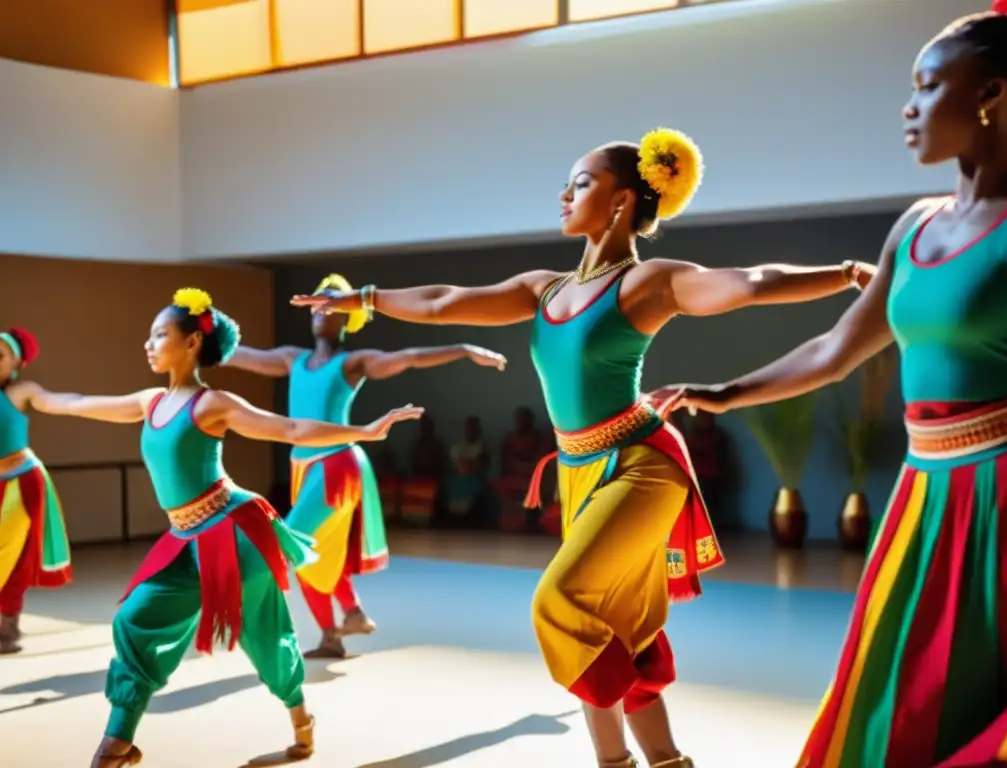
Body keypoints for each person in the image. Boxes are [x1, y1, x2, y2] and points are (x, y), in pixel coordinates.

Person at [292, 127, 875, 768]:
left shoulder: (647, 282)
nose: (564, 194)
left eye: (581, 182)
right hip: (577, 469)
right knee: (618, 628)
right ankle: (666, 759)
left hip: (641, 464)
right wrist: (364, 300)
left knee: (561, 602)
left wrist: (847, 274)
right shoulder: (543, 287)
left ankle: (613, 763)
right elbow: (441, 302)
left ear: (623, 200)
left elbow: (751, 281)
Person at [654, 4, 1007, 765]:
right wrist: (725, 393)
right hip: (925, 498)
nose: (909, 108)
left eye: (927, 88)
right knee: (903, 698)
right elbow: (834, 348)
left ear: (990, 95)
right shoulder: (913, 228)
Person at [20, 288, 422, 768]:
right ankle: (118, 743)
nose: (148, 344)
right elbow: (79, 401)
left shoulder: (213, 404)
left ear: (192, 343)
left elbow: (289, 429)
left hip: (233, 533)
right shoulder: (150, 402)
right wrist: (37, 398)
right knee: (134, 620)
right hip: (182, 537)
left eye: (160, 334)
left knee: (264, 634)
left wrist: (364, 431)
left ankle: (301, 724)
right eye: (149, 335)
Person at [223, 273, 506, 657]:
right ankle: (343, 623)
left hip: (336, 466)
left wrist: (462, 347)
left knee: (295, 543)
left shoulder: (352, 362)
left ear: (348, 315)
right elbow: (241, 355)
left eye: (333, 303)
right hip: (304, 469)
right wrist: (202, 333)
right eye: (319, 303)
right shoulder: (294, 359)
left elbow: (406, 359)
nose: (323, 309)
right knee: (317, 552)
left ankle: (251, 608)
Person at [0, 327, 71, 654]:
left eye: (0, 355)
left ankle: (6, 630)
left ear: (16, 362)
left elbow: (52, 401)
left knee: (12, 555)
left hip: (20, 481)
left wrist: (85, 404)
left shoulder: (21, 391)